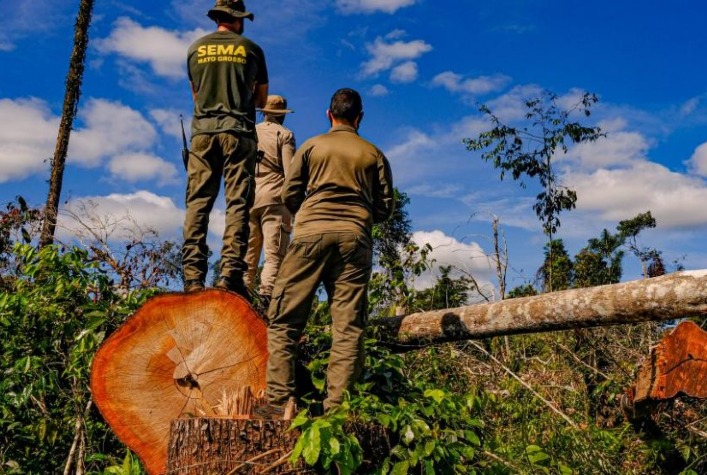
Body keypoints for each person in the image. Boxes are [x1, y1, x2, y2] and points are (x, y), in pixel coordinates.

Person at [259, 88, 395, 416]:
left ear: (328, 114)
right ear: (359, 118)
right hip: (355, 239)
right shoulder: (373, 153)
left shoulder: (311, 146)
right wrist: (359, 216)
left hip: (309, 236)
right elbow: (386, 207)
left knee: (285, 320)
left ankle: (279, 406)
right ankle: (337, 411)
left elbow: (290, 193)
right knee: (348, 326)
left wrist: (307, 212)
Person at [182, 0, 268, 298]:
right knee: (238, 203)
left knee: (198, 204)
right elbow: (260, 100)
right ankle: (229, 274)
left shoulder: (195, 49)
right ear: (238, 19)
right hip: (239, 132)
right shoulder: (252, 50)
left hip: (203, 134)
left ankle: (193, 278)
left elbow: (196, 96)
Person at [244, 95, 296, 308]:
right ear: (281, 115)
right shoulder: (284, 135)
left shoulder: (249, 132)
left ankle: (242, 298)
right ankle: (266, 301)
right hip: (274, 198)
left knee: (248, 255)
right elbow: (290, 172)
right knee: (274, 254)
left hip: (249, 198)